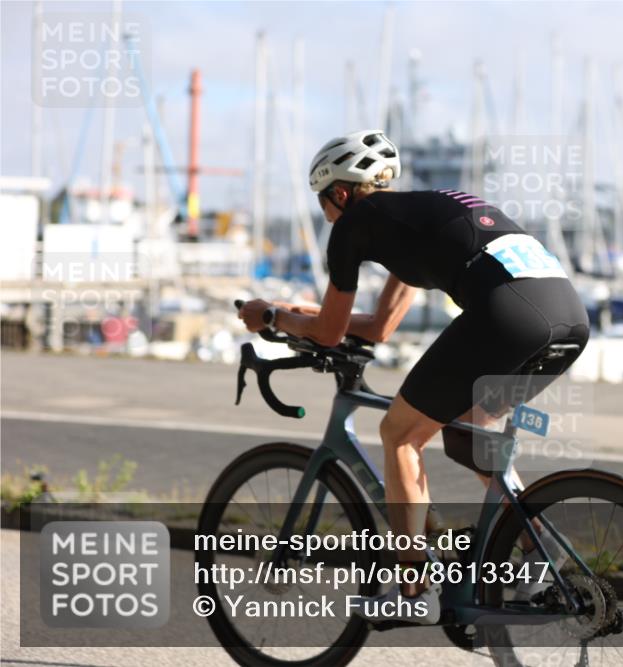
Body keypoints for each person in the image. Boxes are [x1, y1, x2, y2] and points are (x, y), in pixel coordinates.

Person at [238, 129, 589, 624]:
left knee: (399, 435)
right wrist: (303, 315)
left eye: (323, 202)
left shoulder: (354, 223)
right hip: (567, 316)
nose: (326, 215)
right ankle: (540, 547)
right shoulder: (418, 216)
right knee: (470, 432)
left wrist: (272, 317)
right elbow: (379, 327)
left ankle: (414, 589)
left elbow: (330, 334)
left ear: (340, 193)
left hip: (509, 315)